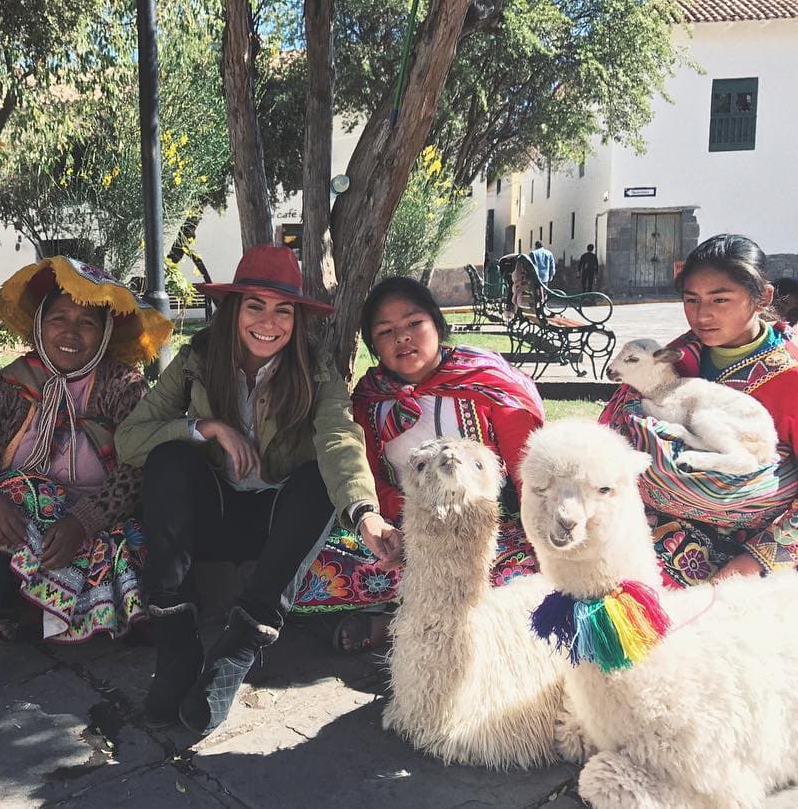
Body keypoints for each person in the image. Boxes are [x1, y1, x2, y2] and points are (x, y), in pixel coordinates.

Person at [115, 244, 399, 735]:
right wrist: (205, 426)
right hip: (211, 517)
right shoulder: (196, 360)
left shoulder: (316, 370)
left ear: (296, 319)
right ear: (233, 310)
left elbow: (338, 437)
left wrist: (365, 511)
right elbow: (129, 438)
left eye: (282, 310)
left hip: (276, 527)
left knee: (315, 481)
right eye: (255, 306)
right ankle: (178, 644)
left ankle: (238, 647)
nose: (269, 322)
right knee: (169, 459)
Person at [0, 256, 172, 715]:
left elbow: (142, 464)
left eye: (86, 323)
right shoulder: (10, 385)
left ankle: (39, 614)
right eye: (58, 318)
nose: (70, 333)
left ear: (106, 333)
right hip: (21, 527)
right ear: (40, 323)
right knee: (6, 502)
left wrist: (84, 519)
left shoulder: (122, 387)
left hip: (99, 525)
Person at [294, 277, 546, 651]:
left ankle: (397, 625)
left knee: (523, 572)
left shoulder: (485, 380)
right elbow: (371, 478)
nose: (403, 337)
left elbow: (530, 469)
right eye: (386, 331)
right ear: (373, 345)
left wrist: (535, 530)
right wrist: (402, 529)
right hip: (409, 531)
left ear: (436, 324)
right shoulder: (371, 399)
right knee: (312, 569)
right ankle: (416, 624)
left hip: (488, 533)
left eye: (414, 323)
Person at [602, 234, 798, 587]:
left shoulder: (791, 379)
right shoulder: (679, 354)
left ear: (762, 297)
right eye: (691, 300)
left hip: (736, 547)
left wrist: (752, 562)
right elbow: (614, 419)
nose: (702, 315)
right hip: (638, 512)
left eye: (720, 299)